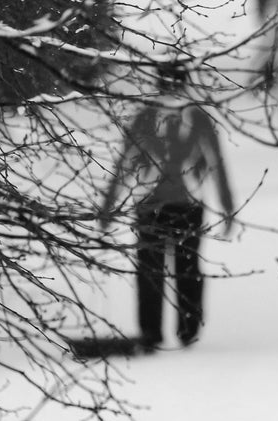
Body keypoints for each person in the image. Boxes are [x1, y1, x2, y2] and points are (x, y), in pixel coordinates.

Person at [98, 95, 235, 349]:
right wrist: (227, 208)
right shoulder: (195, 116)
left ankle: (155, 331)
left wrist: (108, 207)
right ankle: (185, 331)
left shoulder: (147, 116)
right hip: (183, 204)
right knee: (184, 268)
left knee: (154, 270)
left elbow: (125, 162)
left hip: (156, 204)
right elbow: (216, 163)